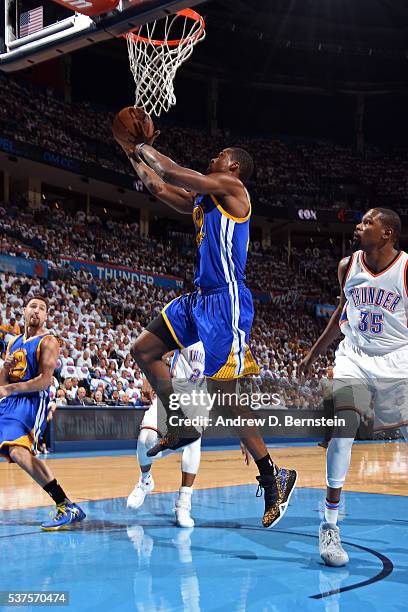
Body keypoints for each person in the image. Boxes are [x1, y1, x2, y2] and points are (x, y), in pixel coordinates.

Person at [119, 138, 297, 529]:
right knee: (143, 349)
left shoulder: (235, 191)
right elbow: (159, 186)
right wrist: (130, 151)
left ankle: (273, 476)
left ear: (233, 167)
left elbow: (169, 171)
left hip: (226, 302)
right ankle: (181, 421)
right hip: (199, 299)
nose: (213, 156)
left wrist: (143, 143)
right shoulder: (202, 200)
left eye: (220, 155)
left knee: (224, 394)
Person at [299, 208, 408, 566]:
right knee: (343, 429)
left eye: (367, 223)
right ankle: (329, 525)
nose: (359, 227)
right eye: (360, 221)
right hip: (355, 354)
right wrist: (314, 354)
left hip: (396, 358)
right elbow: (341, 313)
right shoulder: (348, 265)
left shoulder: (406, 270)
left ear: (388, 233)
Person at [0, 296, 86, 530]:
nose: (36, 311)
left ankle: (64, 504)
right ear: (24, 311)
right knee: (16, 452)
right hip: (9, 401)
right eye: (32, 307)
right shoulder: (13, 342)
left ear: (46, 316)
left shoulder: (49, 341)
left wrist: (9, 388)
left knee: (18, 452)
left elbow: (45, 381)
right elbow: (3, 383)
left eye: (42, 308)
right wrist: (4, 370)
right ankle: (66, 505)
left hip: (30, 402)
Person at [127, 342, 204, 528]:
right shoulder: (190, 329)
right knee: (146, 439)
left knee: (193, 443)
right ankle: (145, 481)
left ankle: (183, 503)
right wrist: (148, 375)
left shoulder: (226, 341)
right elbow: (159, 351)